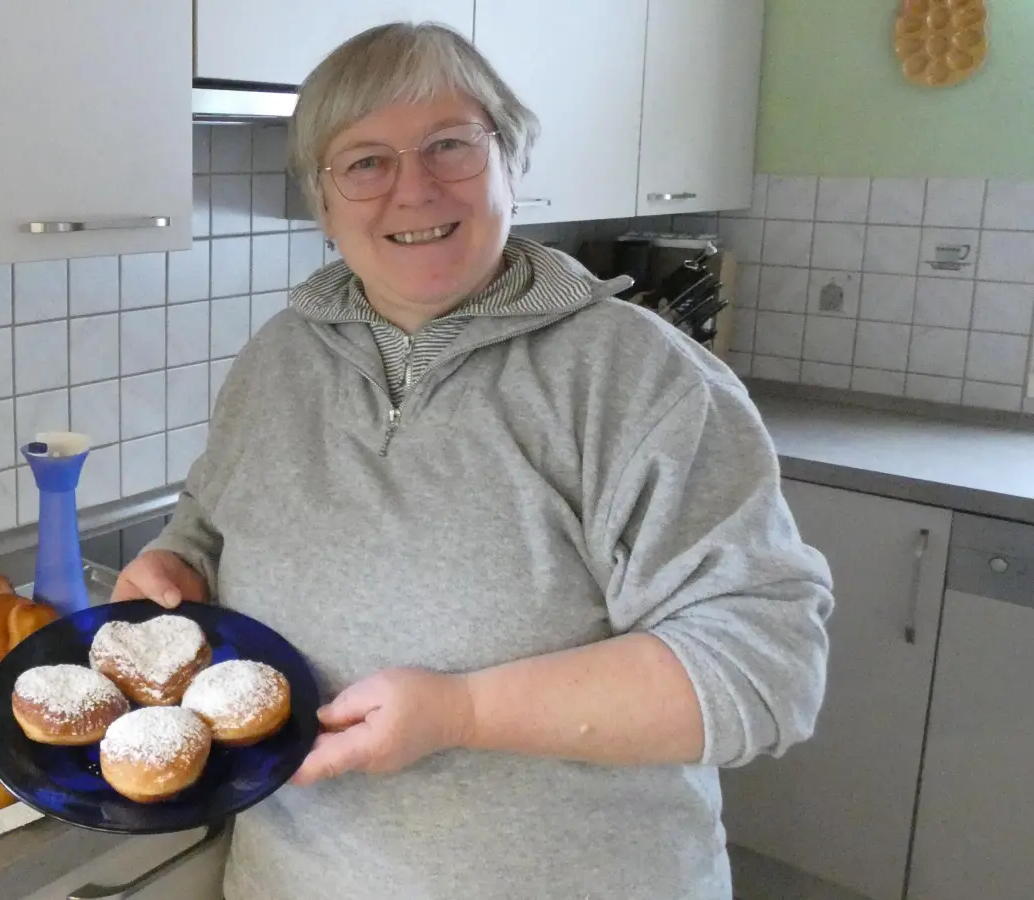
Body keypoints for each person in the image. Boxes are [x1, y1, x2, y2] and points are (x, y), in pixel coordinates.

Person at [110, 20, 833, 900]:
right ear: (325, 203)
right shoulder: (281, 359)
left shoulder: (640, 381)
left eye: (450, 146)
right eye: (366, 162)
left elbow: (762, 669)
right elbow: (209, 524)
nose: (413, 189)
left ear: (510, 164)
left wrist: (465, 713)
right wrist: (178, 567)